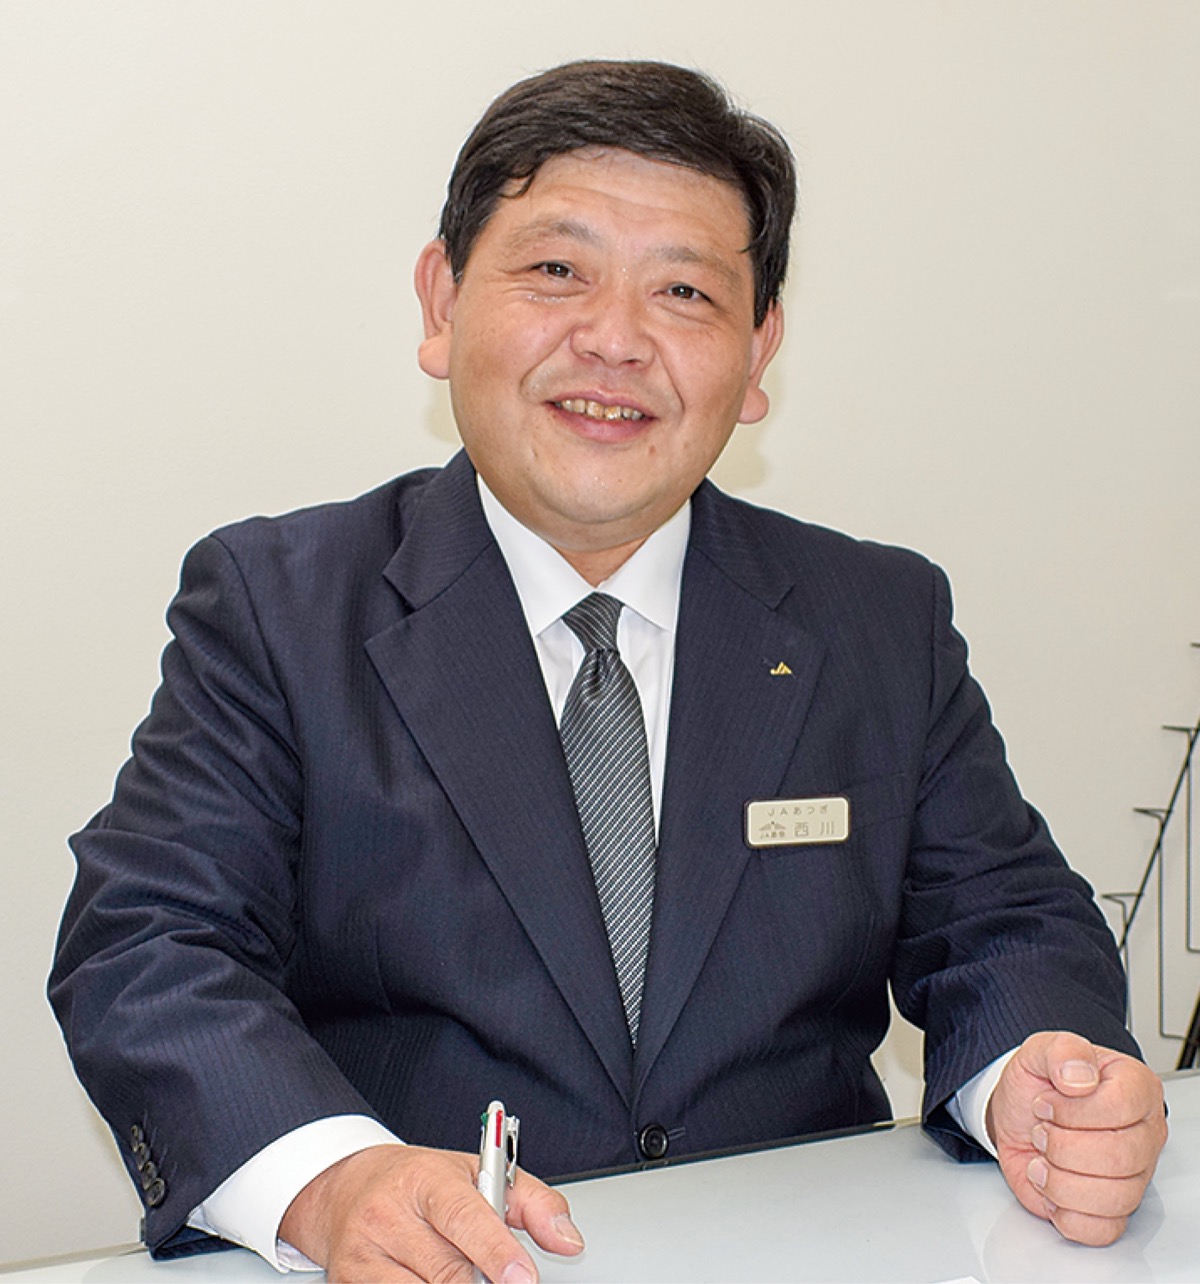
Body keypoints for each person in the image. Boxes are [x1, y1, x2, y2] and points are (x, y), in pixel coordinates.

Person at [50, 59, 1166, 1283]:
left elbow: (1007, 920)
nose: (616, 340)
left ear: (756, 353)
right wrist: (330, 1182)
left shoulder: (877, 617)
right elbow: (152, 945)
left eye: (683, 290)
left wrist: (1041, 1081)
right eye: (556, 271)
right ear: (442, 302)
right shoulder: (279, 605)